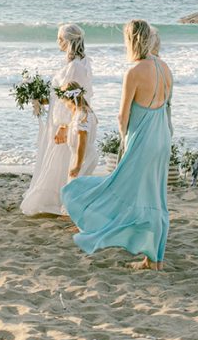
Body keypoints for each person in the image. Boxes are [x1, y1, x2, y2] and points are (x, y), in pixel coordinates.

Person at [60, 19, 173, 271]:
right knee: (156, 197)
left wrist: (124, 140)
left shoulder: (133, 72)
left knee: (122, 189)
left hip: (142, 141)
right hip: (162, 139)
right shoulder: (165, 68)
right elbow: (167, 106)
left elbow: (123, 117)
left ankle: (150, 258)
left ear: (131, 41)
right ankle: (156, 259)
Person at [20, 23, 95, 215]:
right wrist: (40, 98)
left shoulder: (75, 66)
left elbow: (74, 98)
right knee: (59, 160)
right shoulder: (80, 62)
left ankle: (63, 202)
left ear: (69, 41)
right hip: (64, 119)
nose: (58, 42)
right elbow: (61, 95)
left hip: (68, 121)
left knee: (63, 160)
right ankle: (62, 200)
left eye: (60, 38)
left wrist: (64, 125)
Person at [53, 81, 98, 181]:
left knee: (73, 188)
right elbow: (78, 134)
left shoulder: (81, 114)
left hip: (83, 158)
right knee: (76, 188)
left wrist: (78, 165)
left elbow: (82, 141)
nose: (64, 104)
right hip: (81, 156)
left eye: (63, 101)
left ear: (69, 99)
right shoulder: (81, 112)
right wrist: (67, 136)